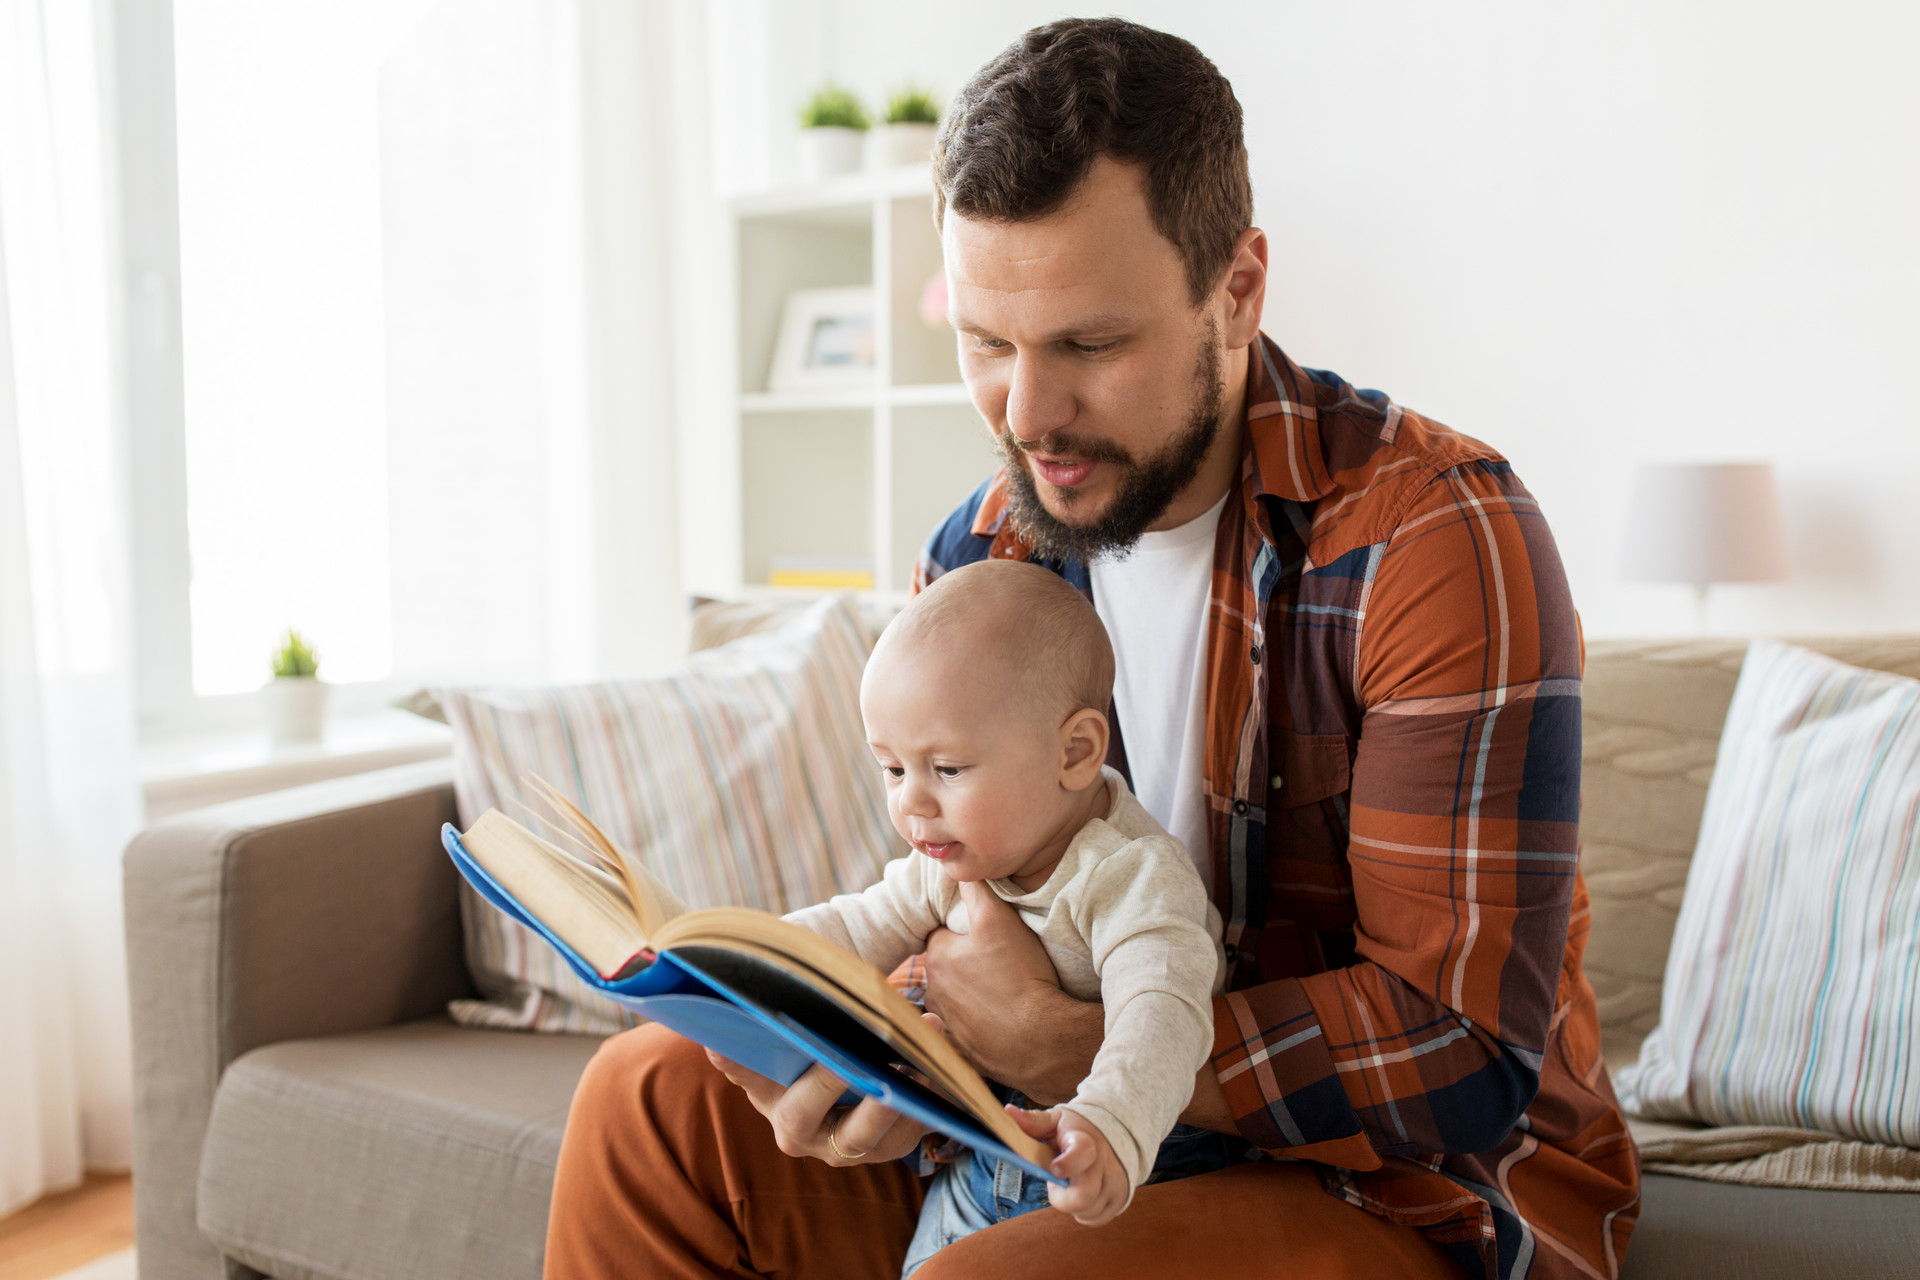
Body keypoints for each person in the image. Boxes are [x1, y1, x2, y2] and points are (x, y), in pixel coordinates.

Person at [543, 17, 1639, 1280]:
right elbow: (961, 905)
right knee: (646, 1105)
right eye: (986, 343)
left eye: (1088, 345)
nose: (1027, 412)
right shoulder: (981, 551)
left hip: (1395, 1191)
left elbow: (1461, 1055)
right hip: (1052, 1143)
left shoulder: (1436, 539)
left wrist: (1070, 1047)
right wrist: (897, 1053)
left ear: (1238, 286)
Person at [781, 558, 1230, 1274]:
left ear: (1075, 752)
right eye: (893, 769)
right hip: (977, 1167)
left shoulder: (1130, 876)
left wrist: (1111, 1125)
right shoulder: (952, 857)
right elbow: (860, 924)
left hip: (1132, 1171)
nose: (911, 804)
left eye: (947, 769)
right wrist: (749, 955)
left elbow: (1164, 1013)